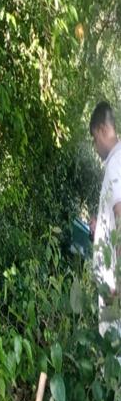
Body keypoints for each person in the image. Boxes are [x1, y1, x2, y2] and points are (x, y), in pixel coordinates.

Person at [90, 101, 121, 339]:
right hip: (112, 281)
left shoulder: (115, 164)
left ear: (102, 130)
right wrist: (99, 227)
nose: (95, 145)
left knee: (113, 347)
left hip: (113, 285)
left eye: (94, 139)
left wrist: (118, 284)